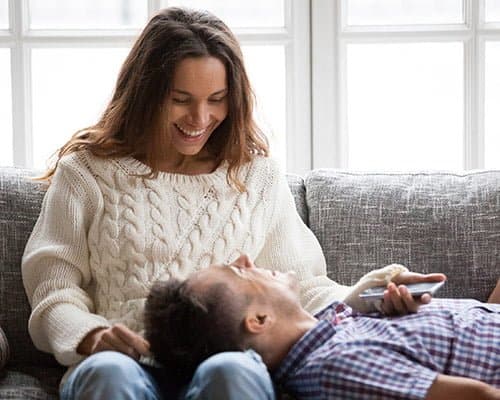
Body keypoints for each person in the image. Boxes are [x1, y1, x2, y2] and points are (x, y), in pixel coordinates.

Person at [21, 6, 445, 400]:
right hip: (122, 362)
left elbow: (301, 287)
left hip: (228, 358)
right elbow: (54, 293)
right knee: (110, 373)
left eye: (216, 100)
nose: (199, 118)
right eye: (181, 99)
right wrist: (91, 336)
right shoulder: (87, 172)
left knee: (231, 371)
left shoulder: (255, 175)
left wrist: (374, 294)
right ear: (145, 93)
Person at [145, 254, 500, 400]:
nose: (244, 259)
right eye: (238, 272)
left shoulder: (334, 325)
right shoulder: (337, 366)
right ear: (259, 321)